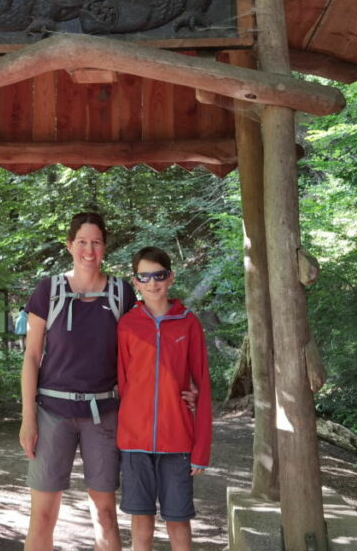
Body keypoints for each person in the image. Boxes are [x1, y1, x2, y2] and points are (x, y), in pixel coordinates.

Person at [19, 211, 136, 551]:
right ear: (70, 245)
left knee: (105, 515)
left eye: (96, 242)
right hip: (51, 413)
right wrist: (28, 419)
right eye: (82, 242)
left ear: (105, 247)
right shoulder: (49, 291)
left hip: (104, 414)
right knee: (41, 516)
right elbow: (31, 356)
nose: (89, 250)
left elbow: (138, 355)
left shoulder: (121, 293)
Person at [117, 247, 212, 551]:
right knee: (141, 523)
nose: (153, 282)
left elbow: (204, 387)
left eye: (159, 275)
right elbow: (123, 384)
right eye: (145, 276)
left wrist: (201, 449)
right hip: (135, 443)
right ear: (136, 282)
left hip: (177, 441)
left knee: (178, 521)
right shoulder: (127, 325)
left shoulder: (189, 323)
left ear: (170, 278)